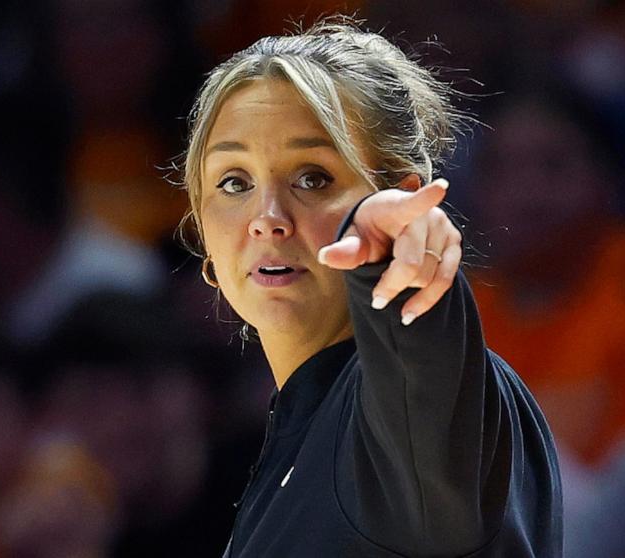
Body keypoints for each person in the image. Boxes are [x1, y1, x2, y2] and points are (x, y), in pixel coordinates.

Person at [181, 18, 562, 557]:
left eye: (314, 177)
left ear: (406, 195)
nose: (267, 218)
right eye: (234, 182)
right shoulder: (300, 430)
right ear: (201, 228)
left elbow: (418, 372)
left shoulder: (416, 410)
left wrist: (385, 251)